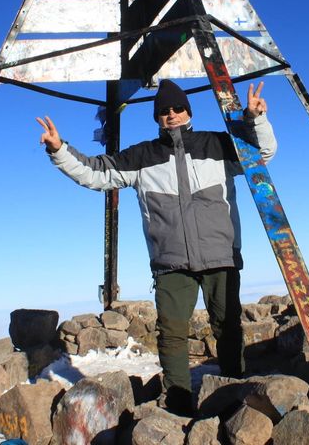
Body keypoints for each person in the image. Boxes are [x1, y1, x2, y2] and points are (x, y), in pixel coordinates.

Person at [36, 79, 276, 415]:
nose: (172, 115)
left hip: (220, 255)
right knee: (172, 334)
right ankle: (178, 401)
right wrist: (59, 149)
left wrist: (255, 120)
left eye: (178, 108)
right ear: (157, 117)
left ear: (188, 112)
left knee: (229, 327)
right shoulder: (143, 156)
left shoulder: (217, 144)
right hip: (171, 262)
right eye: (164, 111)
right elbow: (96, 173)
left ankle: (234, 392)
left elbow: (261, 153)